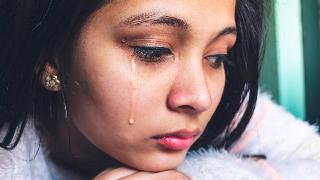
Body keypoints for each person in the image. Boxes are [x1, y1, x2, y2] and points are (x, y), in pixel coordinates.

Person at [0, 0, 319, 179]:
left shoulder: (231, 109)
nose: (200, 97)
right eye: (152, 50)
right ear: (51, 60)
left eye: (217, 56)